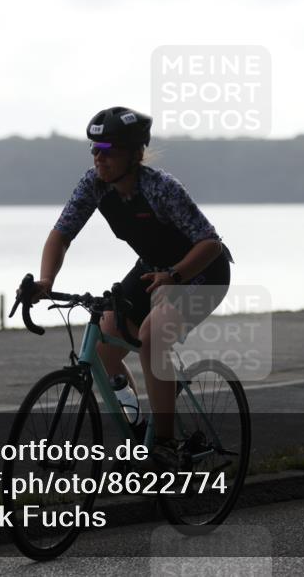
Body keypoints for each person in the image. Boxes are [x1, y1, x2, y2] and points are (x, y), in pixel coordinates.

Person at [28, 106, 233, 470]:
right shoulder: (93, 185)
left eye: (108, 149)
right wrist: (46, 281)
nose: (98, 157)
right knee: (105, 343)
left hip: (201, 272)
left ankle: (166, 444)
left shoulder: (160, 188)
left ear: (135, 153)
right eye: (93, 148)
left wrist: (175, 275)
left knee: (154, 336)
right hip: (151, 271)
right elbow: (61, 236)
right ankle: (139, 430)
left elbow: (211, 244)